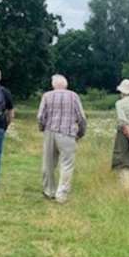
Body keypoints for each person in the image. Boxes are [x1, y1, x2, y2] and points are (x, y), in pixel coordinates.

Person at [37, 74, 87, 204]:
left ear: (53, 85)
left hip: (50, 131)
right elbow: (81, 118)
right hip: (68, 133)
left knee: (48, 163)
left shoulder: (47, 96)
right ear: (66, 85)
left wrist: (42, 128)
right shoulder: (73, 96)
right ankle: (61, 194)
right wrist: (80, 133)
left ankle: (49, 191)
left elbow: (40, 116)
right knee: (67, 164)